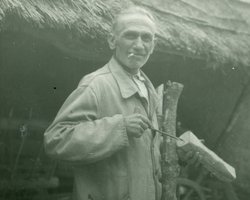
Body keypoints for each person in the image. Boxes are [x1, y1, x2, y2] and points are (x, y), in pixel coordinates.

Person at [44, 6, 199, 200]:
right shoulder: (96, 84)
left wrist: (177, 155)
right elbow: (56, 140)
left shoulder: (149, 89)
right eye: (130, 35)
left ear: (154, 44)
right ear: (112, 40)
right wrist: (119, 128)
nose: (139, 45)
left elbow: (143, 153)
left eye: (146, 38)